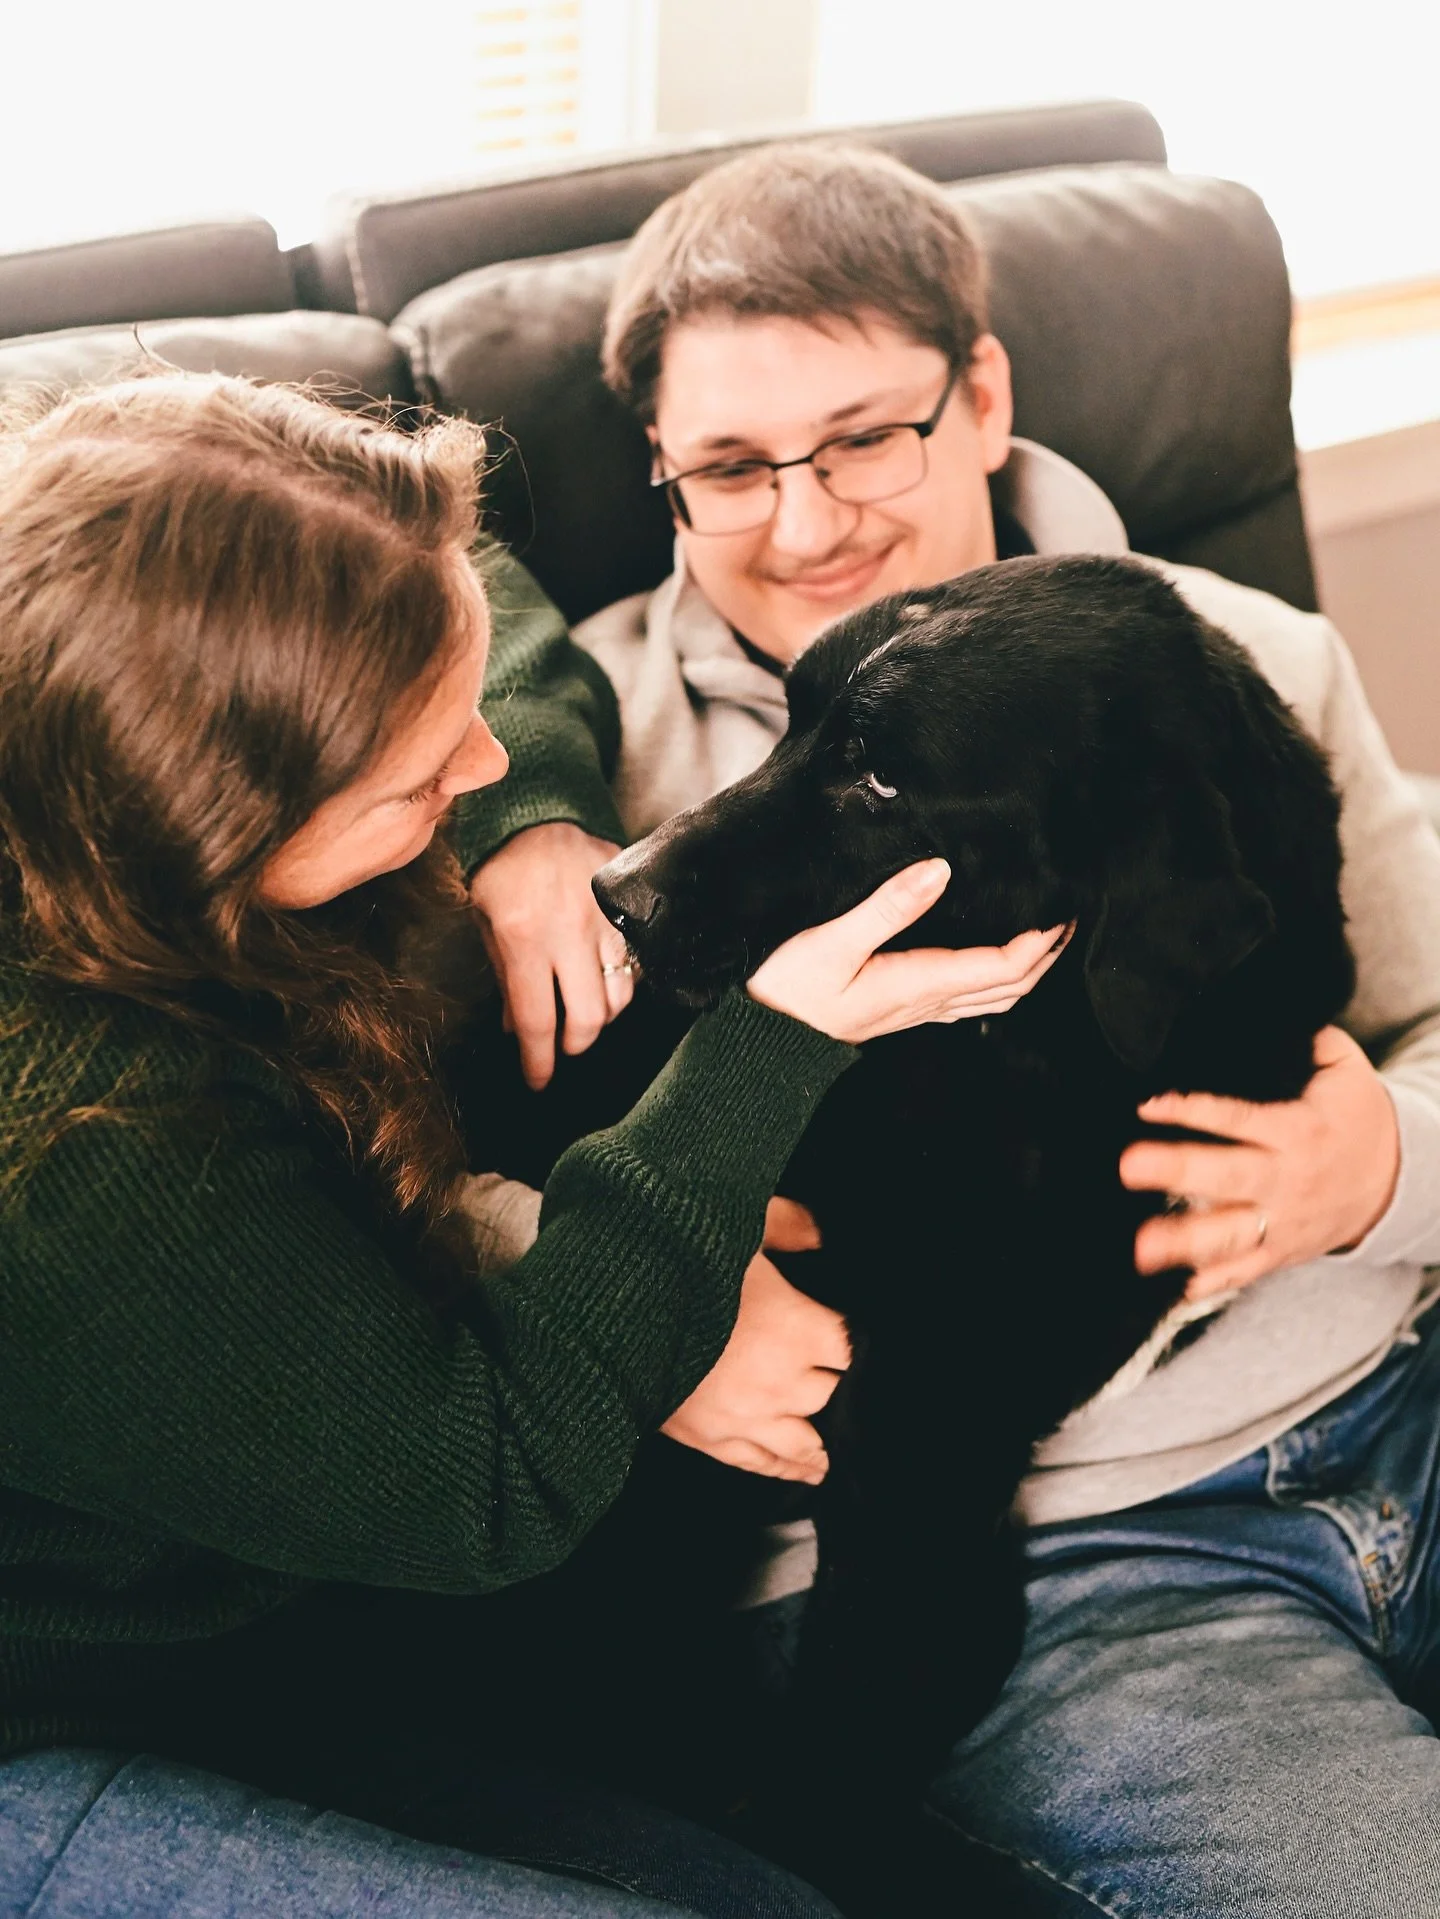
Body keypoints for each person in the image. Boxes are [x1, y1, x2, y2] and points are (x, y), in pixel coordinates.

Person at [463, 144, 1440, 1915]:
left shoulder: (1246, 667)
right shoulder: (560, 776)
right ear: (661, 479)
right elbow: (379, 1166)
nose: (812, 518)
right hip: (1084, 1555)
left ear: (980, 397)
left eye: (862, 437)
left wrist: (1390, 1154)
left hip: (1399, 1386)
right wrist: (620, 1292)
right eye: (732, 468)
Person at [0, 370, 1071, 1919]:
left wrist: (535, 828)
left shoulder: (111, 583)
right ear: (212, 817)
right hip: (62, 1724)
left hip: (263, 1630)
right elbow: (484, 1483)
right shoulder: (87, 1145)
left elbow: (453, 558)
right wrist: (771, 1045)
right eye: (422, 778)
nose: (478, 768)